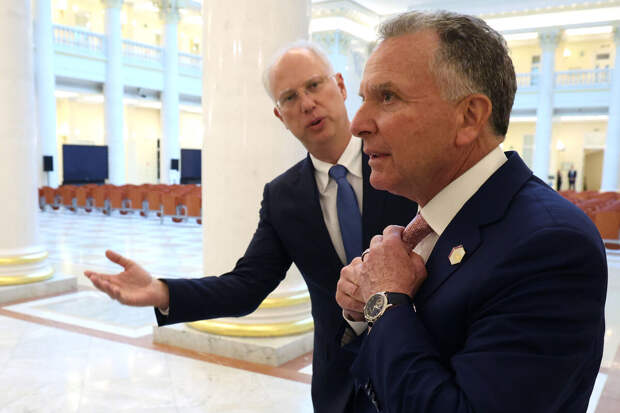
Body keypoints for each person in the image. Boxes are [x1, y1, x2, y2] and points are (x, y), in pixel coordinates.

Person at [85, 42, 417, 413]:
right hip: (339, 384)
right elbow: (247, 286)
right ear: (280, 115)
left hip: (419, 364)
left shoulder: (401, 161)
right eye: (290, 97)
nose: (307, 104)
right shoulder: (283, 196)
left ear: (340, 86)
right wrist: (162, 291)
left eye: (314, 85)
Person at [335, 11, 607, 413]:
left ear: (469, 117)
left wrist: (384, 301)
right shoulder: (425, 218)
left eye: (388, 97)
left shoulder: (552, 245)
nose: (357, 124)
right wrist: (365, 309)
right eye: (363, 99)